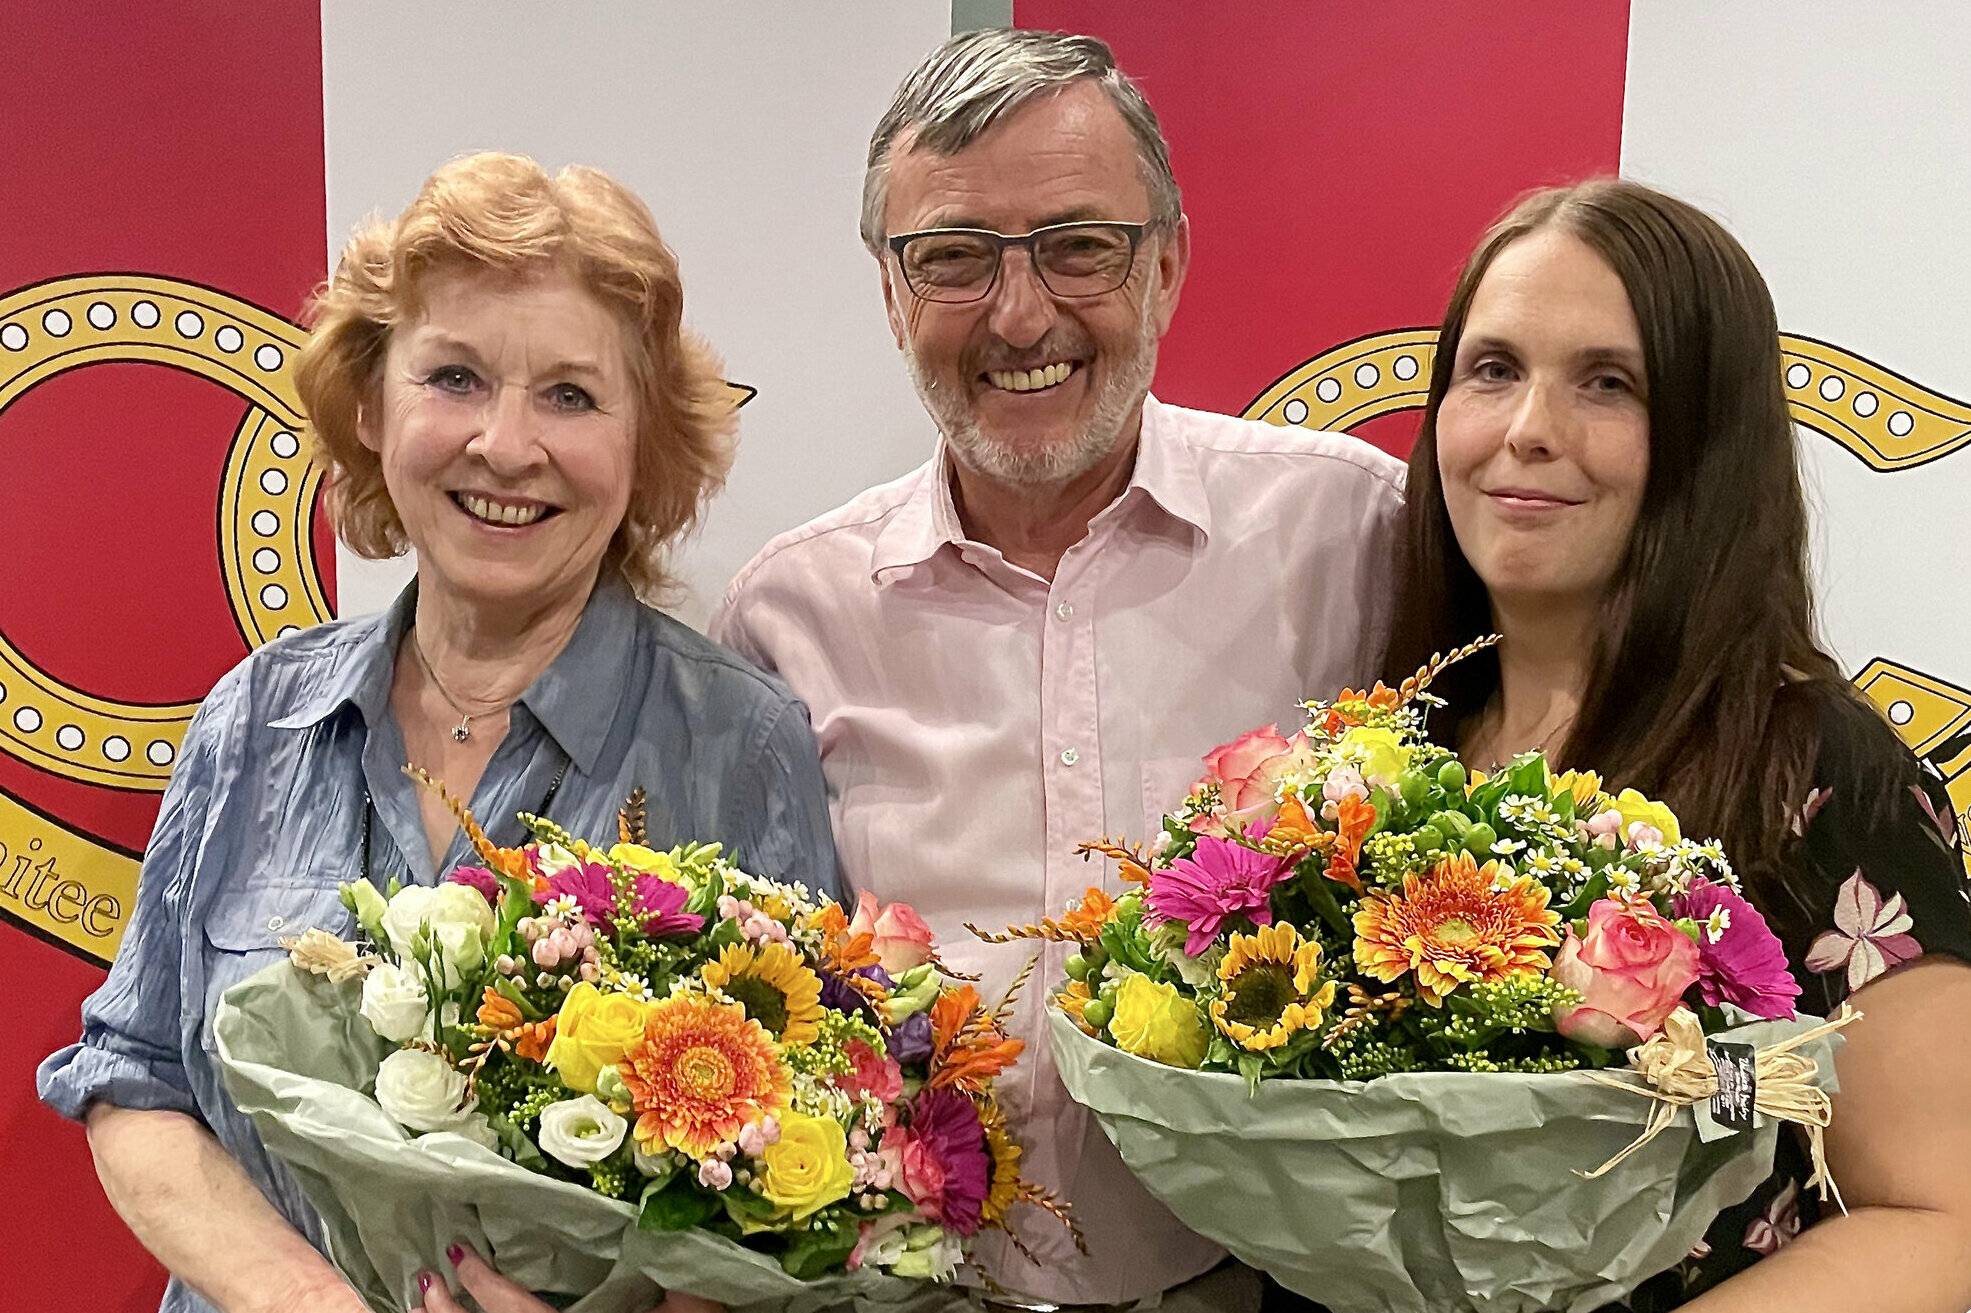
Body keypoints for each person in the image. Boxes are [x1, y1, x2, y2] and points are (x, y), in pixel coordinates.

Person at [38, 151, 841, 1313]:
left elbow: (801, 1179)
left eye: (570, 395)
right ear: (372, 406)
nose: (507, 446)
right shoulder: (253, 718)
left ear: (641, 441)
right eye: (454, 377)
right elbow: (134, 1080)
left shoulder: (741, 745)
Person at [711, 30, 1405, 1312]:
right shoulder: (786, 617)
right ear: (891, 295)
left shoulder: (1356, 540)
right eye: (954, 260)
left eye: (1079, 246)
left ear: (1169, 263)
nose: (1020, 314)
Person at [1386, 178, 1971, 1311]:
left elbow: (1945, 1221)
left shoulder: (1814, 772)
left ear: (1709, 436)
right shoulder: (1392, 756)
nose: (1529, 430)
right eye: (1493, 369)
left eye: (1609, 383)